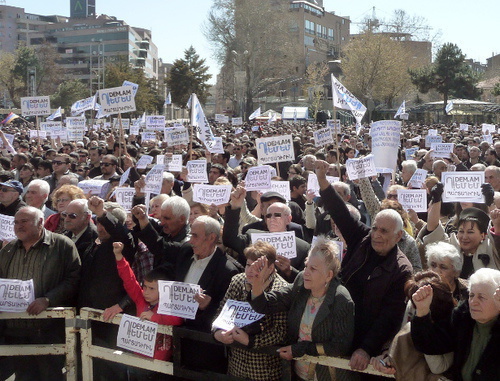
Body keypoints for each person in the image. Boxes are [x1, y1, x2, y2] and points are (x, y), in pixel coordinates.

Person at [315, 159, 413, 372]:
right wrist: (322, 180)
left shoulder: (402, 270)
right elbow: (340, 212)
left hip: (363, 338)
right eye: (375, 228)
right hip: (334, 325)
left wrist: (366, 348)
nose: (377, 235)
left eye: (384, 232)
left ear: (398, 237)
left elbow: (389, 316)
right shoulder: (363, 237)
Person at [249, 237, 355, 381]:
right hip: (299, 374)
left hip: (328, 376)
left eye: (313, 269)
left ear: (329, 275)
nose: (306, 272)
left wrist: (300, 349)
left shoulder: (341, 299)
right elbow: (265, 305)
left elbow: (340, 346)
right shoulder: (301, 283)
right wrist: (257, 281)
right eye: (306, 266)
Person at [0, 206, 81, 381]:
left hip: (48, 329)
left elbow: (73, 279)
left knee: (49, 376)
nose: (18, 226)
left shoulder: (62, 246)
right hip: (16, 331)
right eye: (16, 222)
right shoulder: (7, 250)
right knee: (23, 377)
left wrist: (48, 299)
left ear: (40, 222)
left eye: (24, 221)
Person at [214, 241, 288, 381]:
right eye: (248, 265)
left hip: (265, 372)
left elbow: (281, 331)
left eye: (257, 267)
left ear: (271, 268)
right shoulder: (237, 281)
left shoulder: (281, 289)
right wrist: (218, 334)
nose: (250, 271)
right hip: (236, 368)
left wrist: (251, 340)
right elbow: (220, 313)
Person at [411, 268, 500, 381]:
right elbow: (431, 345)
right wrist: (422, 311)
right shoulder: (463, 317)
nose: (473, 302)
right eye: (471, 295)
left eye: (481, 297)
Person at [112, 242, 183, 375]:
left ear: (164, 290)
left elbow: (177, 320)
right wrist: (119, 256)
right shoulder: (141, 300)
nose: (145, 291)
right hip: (136, 360)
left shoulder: (170, 306)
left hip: (159, 367)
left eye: (151, 288)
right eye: (144, 287)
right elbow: (129, 280)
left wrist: (154, 317)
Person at [371, 271, 456, 380]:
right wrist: (388, 357)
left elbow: (438, 367)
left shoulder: (453, 321)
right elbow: (402, 338)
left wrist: (423, 314)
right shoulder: (413, 305)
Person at [224, 187, 310, 282]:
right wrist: (235, 207)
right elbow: (229, 239)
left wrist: (289, 271)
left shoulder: (303, 248)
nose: (272, 218)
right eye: (268, 216)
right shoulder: (252, 237)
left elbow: (305, 280)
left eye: (277, 215)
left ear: (288, 219)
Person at [418, 183, 500, 278]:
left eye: (470, 232)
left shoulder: (491, 248)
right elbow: (433, 230)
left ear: (483, 235)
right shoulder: (451, 247)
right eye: (461, 231)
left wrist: (490, 203)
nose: (464, 237)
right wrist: (437, 200)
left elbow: (497, 227)